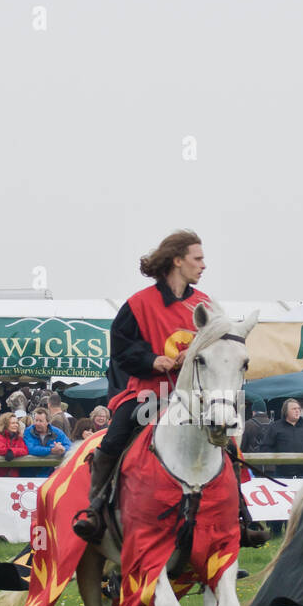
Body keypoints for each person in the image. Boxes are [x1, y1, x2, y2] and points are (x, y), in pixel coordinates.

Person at [73, 230, 212, 540]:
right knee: (114, 438)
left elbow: (219, 348)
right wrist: (152, 360)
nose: (204, 265)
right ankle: (95, 509)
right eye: (198, 258)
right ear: (178, 260)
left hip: (193, 397)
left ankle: (240, 516)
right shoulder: (138, 304)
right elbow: (120, 349)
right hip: (148, 393)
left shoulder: (205, 306)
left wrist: (198, 352)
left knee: (224, 439)